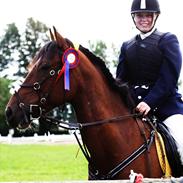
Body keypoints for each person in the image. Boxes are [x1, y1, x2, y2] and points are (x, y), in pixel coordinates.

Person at [116, 0, 183, 164]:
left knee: (181, 141)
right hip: (135, 110)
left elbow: (168, 79)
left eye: (148, 15)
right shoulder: (127, 46)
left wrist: (149, 102)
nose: (144, 19)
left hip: (167, 107)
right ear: (134, 17)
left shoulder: (168, 40)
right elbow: (121, 82)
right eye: (139, 15)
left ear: (156, 16)